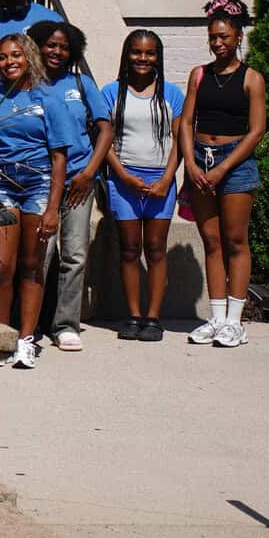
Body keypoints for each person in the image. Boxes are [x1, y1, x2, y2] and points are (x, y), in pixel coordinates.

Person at [180, 0, 267, 347]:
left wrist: (223, 168)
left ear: (238, 37)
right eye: (213, 37)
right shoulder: (199, 75)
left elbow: (256, 130)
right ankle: (216, 319)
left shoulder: (252, 79)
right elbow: (186, 121)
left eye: (224, 37)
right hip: (200, 160)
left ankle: (235, 321)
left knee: (235, 241)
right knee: (211, 241)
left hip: (235, 163)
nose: (218, 43)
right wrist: (190, 162)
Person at [0, 32, 66, 368]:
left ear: (29, 58)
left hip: (40, 186)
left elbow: (59, 157)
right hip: (3, 186)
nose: (9, 62)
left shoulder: (48, 98)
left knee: (31, 266)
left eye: (16, 55)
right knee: (0, 266)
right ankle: (2, 336)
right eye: (2, 57)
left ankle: (26, 340)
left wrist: (53, 209)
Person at [27, 20, 110, 352]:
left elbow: (105, 130)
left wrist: (90, 172)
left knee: (74, 254)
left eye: (63, 46)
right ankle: (30, 324)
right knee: (39, 255)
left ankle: (65, 324)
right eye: (50, 44)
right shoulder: (26, 83)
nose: (56, 51)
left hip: (78, 180)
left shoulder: (81, 82)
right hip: (39, 184)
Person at [101, 28, 183, 342]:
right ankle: (134, 315)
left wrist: (166, 180)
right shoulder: (111, 92)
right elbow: (104, 139)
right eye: (137, 52)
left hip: (160, 180)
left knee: (156, 249)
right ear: (127, 55)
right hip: (124, 180)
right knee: (130, 248)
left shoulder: (172, 94)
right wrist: (121, 175)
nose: (143, 58)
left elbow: (180, 141)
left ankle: (154, 318)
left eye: (150, 53)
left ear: (158, 58)